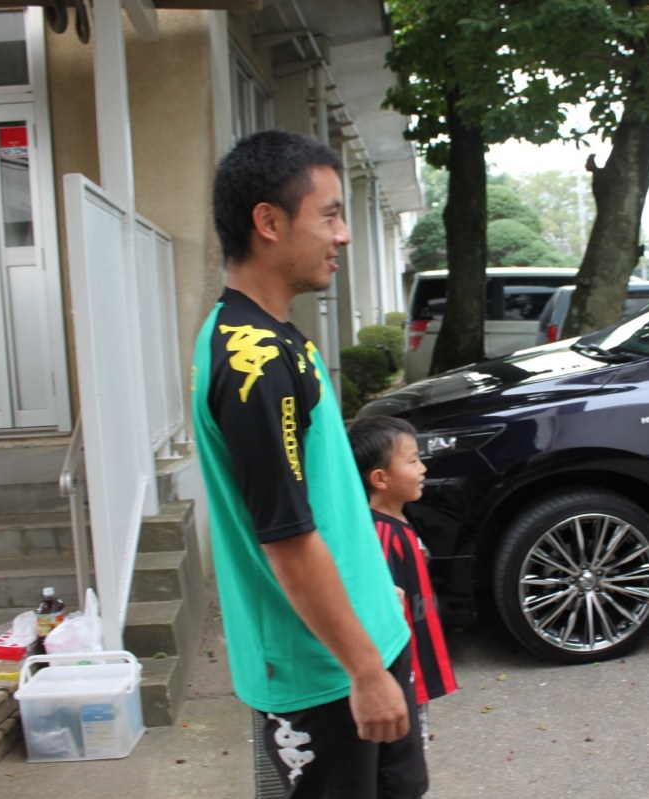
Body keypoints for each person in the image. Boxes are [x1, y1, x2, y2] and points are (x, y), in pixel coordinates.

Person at [191, 129, 426, 798]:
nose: (343, 235)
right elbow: (288, 541)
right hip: (323, 674)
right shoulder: (252, 363)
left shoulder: (280, 340)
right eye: (329, 215)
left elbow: (326, 498)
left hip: (361, 642)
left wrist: (375, 594)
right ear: (269, 222)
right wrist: (364, 671)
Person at [348, 416, 457, 748]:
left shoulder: (398, 520)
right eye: (412, 461)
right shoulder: (380, 535)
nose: (423, 468)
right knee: (404, 750)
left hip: (412, 665)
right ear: (380, 479)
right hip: (400, 672)